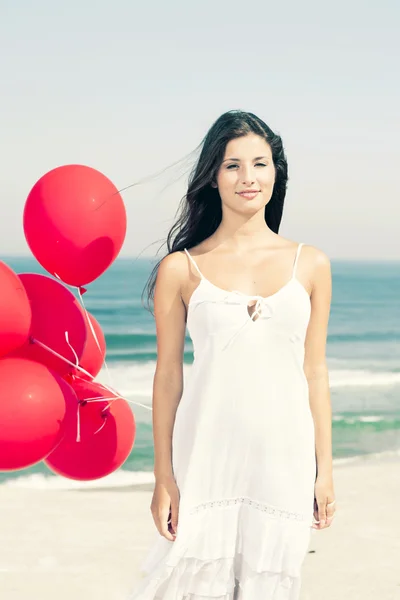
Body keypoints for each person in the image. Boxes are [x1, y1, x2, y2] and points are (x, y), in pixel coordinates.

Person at [129, 110, 336, 599]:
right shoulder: (181, 269)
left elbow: (315, 372)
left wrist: (324, 470)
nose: (248, 178)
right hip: (206, 458)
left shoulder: (311, 264)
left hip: (283, 460)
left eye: (260, 164)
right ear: (213, 177)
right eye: (232, 166)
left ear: (276, 173)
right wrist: (164, 479)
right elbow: (168, 380)